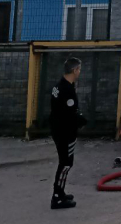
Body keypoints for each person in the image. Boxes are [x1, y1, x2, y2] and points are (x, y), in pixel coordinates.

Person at [49, 57, 88, 210]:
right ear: (74, 70)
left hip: (58, 128)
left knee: (64, 162)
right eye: (79, 69)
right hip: (65, 131)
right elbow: (70, 114)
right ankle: (57, 197)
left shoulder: (59, 85)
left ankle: (61, 192)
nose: (79, 72)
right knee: (66, 164)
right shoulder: (67, 90)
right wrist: (81, 121)